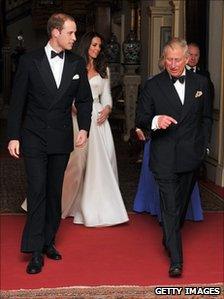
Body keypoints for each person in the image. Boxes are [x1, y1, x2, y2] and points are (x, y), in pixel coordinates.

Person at [7, 13, 93, 274]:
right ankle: (34, 250)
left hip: (60, 137)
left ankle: (48, 241)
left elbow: (85, 100)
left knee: (55, 193)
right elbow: (17, 101)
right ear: (55, 32)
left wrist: (85, 128)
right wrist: (13, 135)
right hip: (33, 137)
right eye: (71, 33)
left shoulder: (77, 63)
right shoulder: (29, 61)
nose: (75, 38)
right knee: (37, 191)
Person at [136, 37, 212, 277]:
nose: (173, 64)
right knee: (169, 206)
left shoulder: (202, 83)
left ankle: (169, 236)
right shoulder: (153, 85)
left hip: (191, 156)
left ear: (187, 59)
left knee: (178, 207)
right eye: (169, 59)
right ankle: (176, 260)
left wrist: (204, 147)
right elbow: (141, 118)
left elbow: (207, 118)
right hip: (164, 155)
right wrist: (156, 121)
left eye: (177, 59)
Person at [61, 32, 129, 227]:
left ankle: (98, 206)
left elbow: (106, 96)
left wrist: (107, 110)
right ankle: (66, 202)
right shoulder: (73, 65)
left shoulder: (103, 68)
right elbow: (65, 93)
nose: (97, 49)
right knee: (76, 164)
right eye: (94, 45)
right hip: (78, 119)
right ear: (85, 45)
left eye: (99, 46)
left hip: (99, 120)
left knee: (100, 163)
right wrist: (73, 106)